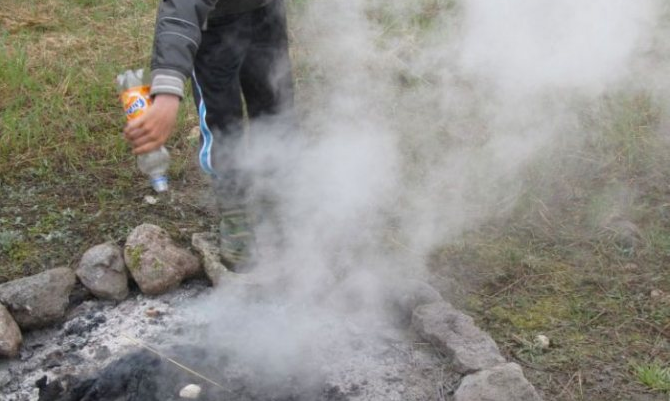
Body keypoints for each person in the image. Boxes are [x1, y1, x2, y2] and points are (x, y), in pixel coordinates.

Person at [123, 0, 295, 268]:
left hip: (267, 12)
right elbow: (181, 11)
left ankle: (273, 196)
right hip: (214, 27)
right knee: (222, 121)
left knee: (275, 106)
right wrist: (167, 92)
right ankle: (234, 210)